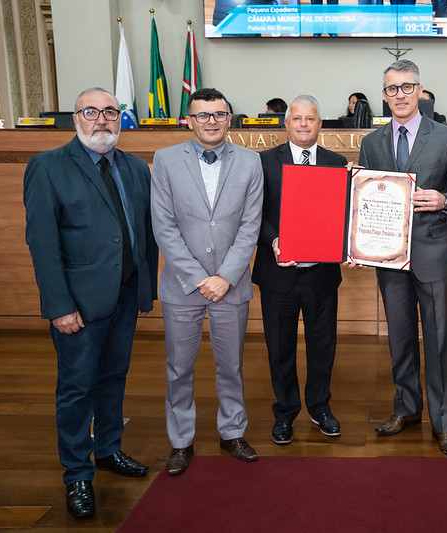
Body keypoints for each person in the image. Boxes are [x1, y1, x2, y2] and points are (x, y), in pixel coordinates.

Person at [23, 87, 158, 518]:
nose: (102, 119)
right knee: (77, 388)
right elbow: (42, 242)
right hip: (78, 304)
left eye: (111, 112)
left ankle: (108, 450)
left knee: (114, 378)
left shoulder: (137, 168)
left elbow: (145, 236)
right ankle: (77, 475)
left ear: (121, 119)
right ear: (76, 118)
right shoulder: (48, 167)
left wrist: (145, 289)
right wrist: (59, 305)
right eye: (92, 112)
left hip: (125, 296)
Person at [358, 59, 447, 456]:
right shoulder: (371, 143)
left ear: (421, 91)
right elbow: (363, 202)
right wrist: (358, 243)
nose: (400, 95)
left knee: (439, 340)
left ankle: (444, 422)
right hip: (388, 258)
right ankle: (406, 408)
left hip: (434, 253)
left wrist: (444, 201)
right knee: (400, 338)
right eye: (392, 89)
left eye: (408, 87)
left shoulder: (446, 138)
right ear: (383, 95)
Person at [151, 87, 264, 476]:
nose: (211, 121)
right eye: (202, 115)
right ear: (189, 119)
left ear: (228, 118)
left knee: (230, 365)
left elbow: (250, 228)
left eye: (218, 114)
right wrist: (201, 279)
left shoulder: (251, 163)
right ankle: (181, 440)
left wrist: (225, 278)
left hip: (231, 285)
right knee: (179, 368)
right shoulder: (165, 160)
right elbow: (163, 227)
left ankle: (232, 432)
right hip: (183, 285)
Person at [252, 95, 347, 445]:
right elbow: (253, 214)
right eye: (297, 118)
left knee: (323, 345)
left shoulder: (337, 163)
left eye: (311, 118)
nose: (304, 124)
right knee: (280, 349)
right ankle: (286, 412)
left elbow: (344, 215)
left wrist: (349, 246)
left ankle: (320, 407)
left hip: (321, 275)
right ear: (286, 123)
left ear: (320, 124)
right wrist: (273, 241)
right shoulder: (262, 162)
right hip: (278, 274)